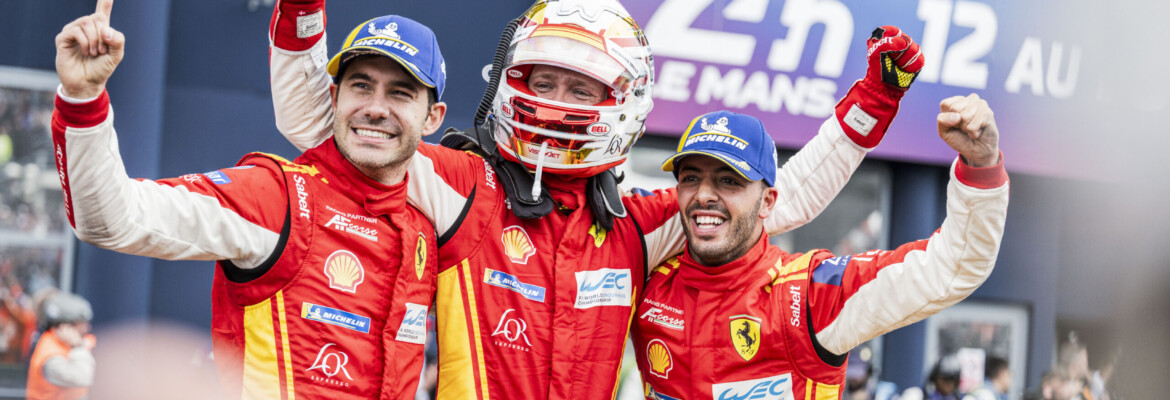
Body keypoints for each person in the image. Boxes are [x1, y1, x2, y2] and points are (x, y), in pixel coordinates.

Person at [267, 1, 924, 398]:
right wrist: (301, 11)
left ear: (621, 102)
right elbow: (328, 133)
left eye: (580, 89)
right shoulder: (466, 186)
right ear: (511, 82)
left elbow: (781, 201)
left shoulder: (635, 224)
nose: (557, 102)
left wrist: (873, 102)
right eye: (542, 81)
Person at [51, 1, 444, 398]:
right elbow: (111, 218)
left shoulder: (431, 228)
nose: (375, 108)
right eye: (361, 86)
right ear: (333, 96)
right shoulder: (276, 197)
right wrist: (82, 99)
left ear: (433, 117)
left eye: (400, 93)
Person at [633, 94, 1008, 400]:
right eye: (690, 178)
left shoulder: (810, 294)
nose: (703, 195)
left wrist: (981, 165)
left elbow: (955, 265)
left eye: (728, 180)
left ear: (768, 202)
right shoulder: (650, 276)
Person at [26, 292, 95, 400]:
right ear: (67, 327)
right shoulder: (51, 357)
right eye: (83, 323)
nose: (88, 328)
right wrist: (78, 347)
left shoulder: (72, 342)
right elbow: (84, 378)